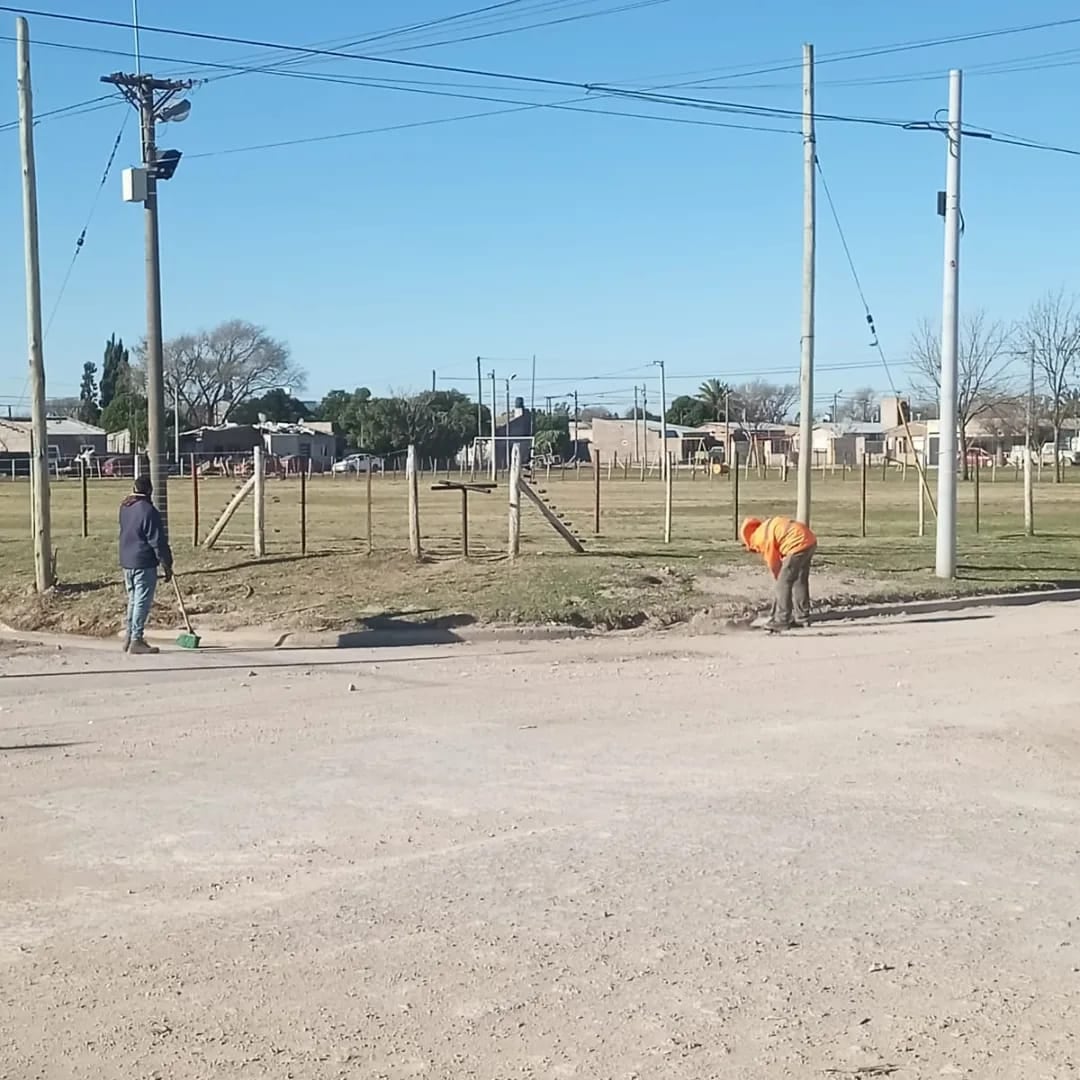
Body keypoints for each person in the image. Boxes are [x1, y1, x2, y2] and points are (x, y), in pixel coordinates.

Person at [118, 475, 173, 654]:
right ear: (149, 491)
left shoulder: (125, 507)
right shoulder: (149, 511)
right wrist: (166, 563)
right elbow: (157, 541)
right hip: (143, 561)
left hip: (127, 559)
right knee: (141, 600)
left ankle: (129, 636)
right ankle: (136, 639)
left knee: (133, 600)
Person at [740, 515, 817, 631]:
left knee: (783, 583)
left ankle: (781, 620)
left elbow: (774, 563)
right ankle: (802, 617)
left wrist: (779, 580)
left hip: (797, 545)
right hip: (809, 540)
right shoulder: (765, 528)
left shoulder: (760, 539)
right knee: (799, 580)